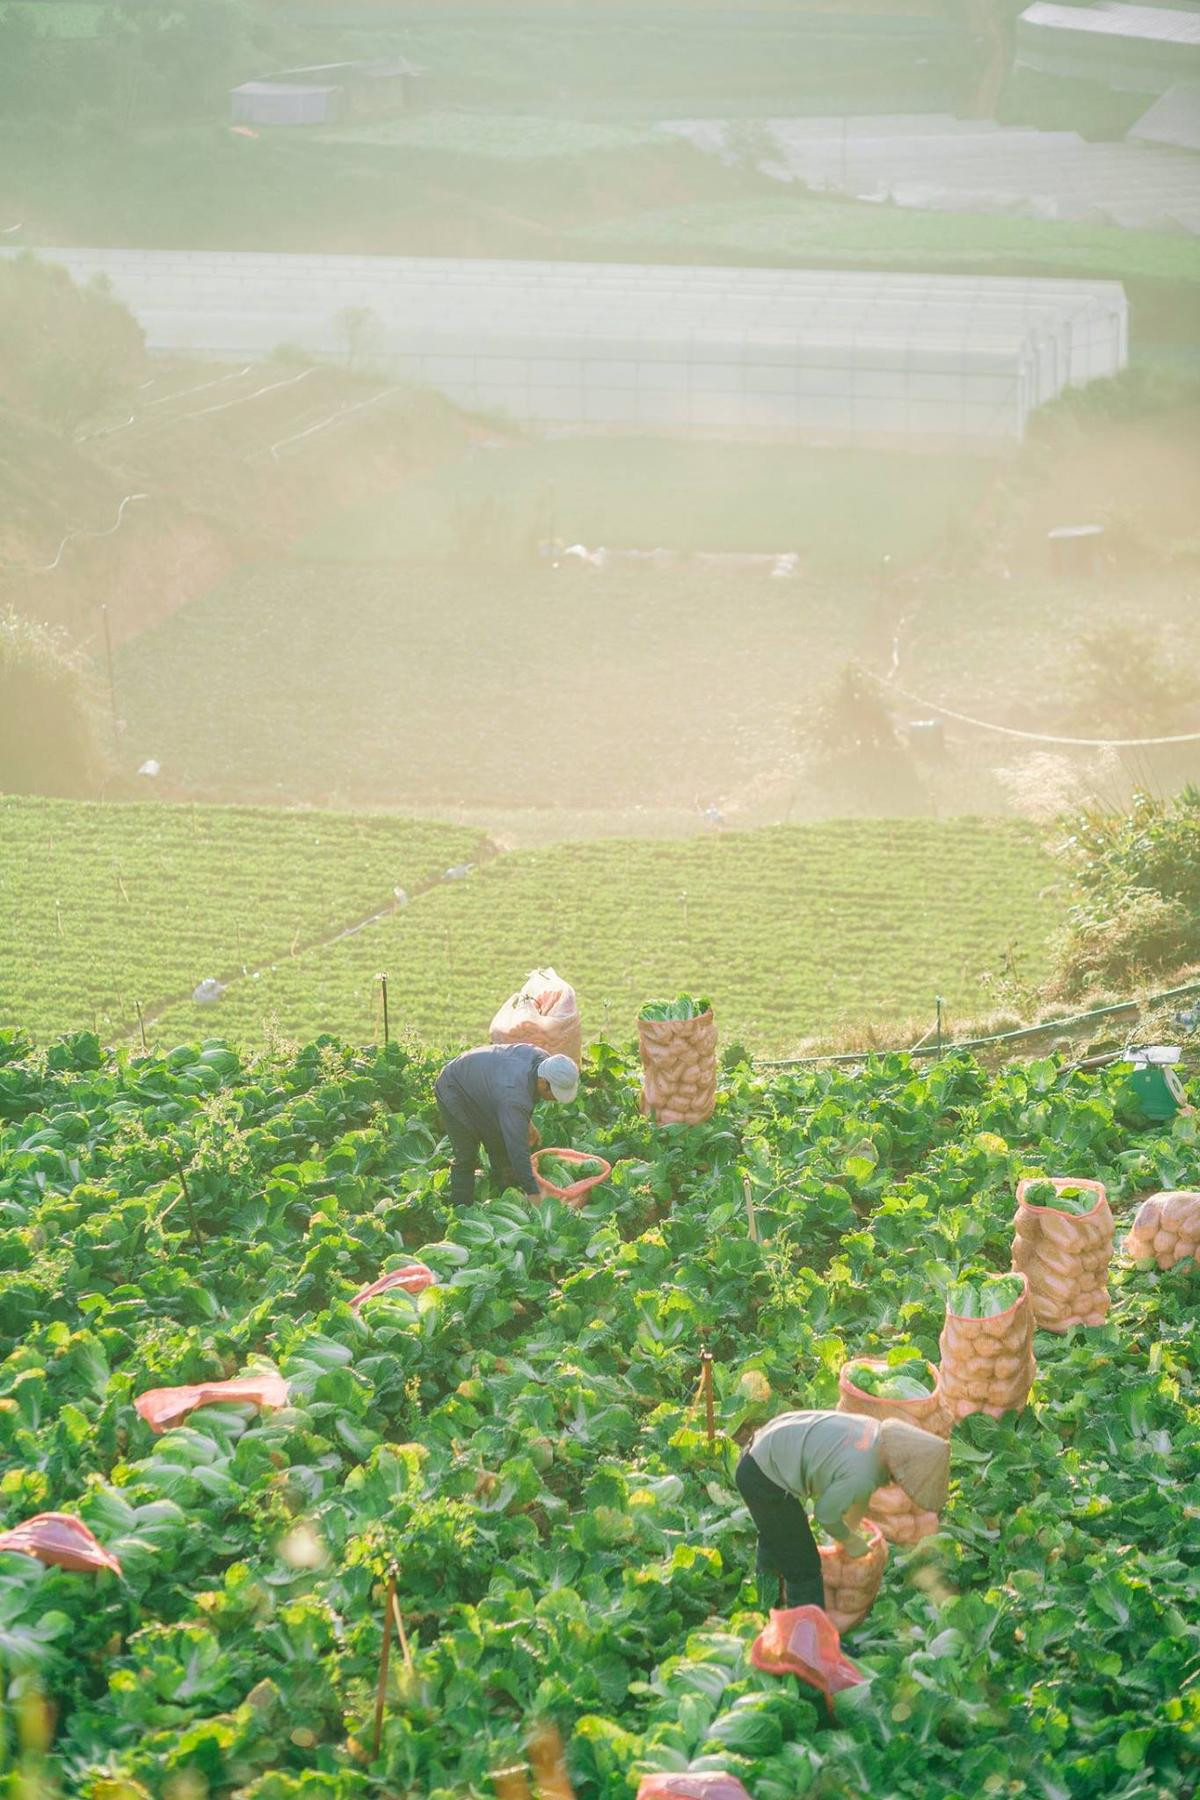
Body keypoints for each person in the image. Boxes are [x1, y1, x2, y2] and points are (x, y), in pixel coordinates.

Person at [736, 1409, 949, 1611]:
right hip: (761, 1476)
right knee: (804, 1566)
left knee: (777, 1531)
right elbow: (825, 1514)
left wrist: (851, 1528)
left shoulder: (873, 1431)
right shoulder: (863, 1475)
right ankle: (805, 1634)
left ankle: (765, 1601)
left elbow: (858, 1497)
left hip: (764, 1444)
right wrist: (850, 1540)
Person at [434, 1044, 579, 1206]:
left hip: (485, 1085)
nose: (555, 1099)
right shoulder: (513, 1096)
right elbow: (518, 1150)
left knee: (500, 1139)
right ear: (544, 1083)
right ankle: (459, 1209)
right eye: (555, 1094)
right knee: (466, 1154)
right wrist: (534, 1194)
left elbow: (518, 1098)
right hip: (453, 1087)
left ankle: (503, 1192)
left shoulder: (543, 1061)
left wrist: (526, 1124)